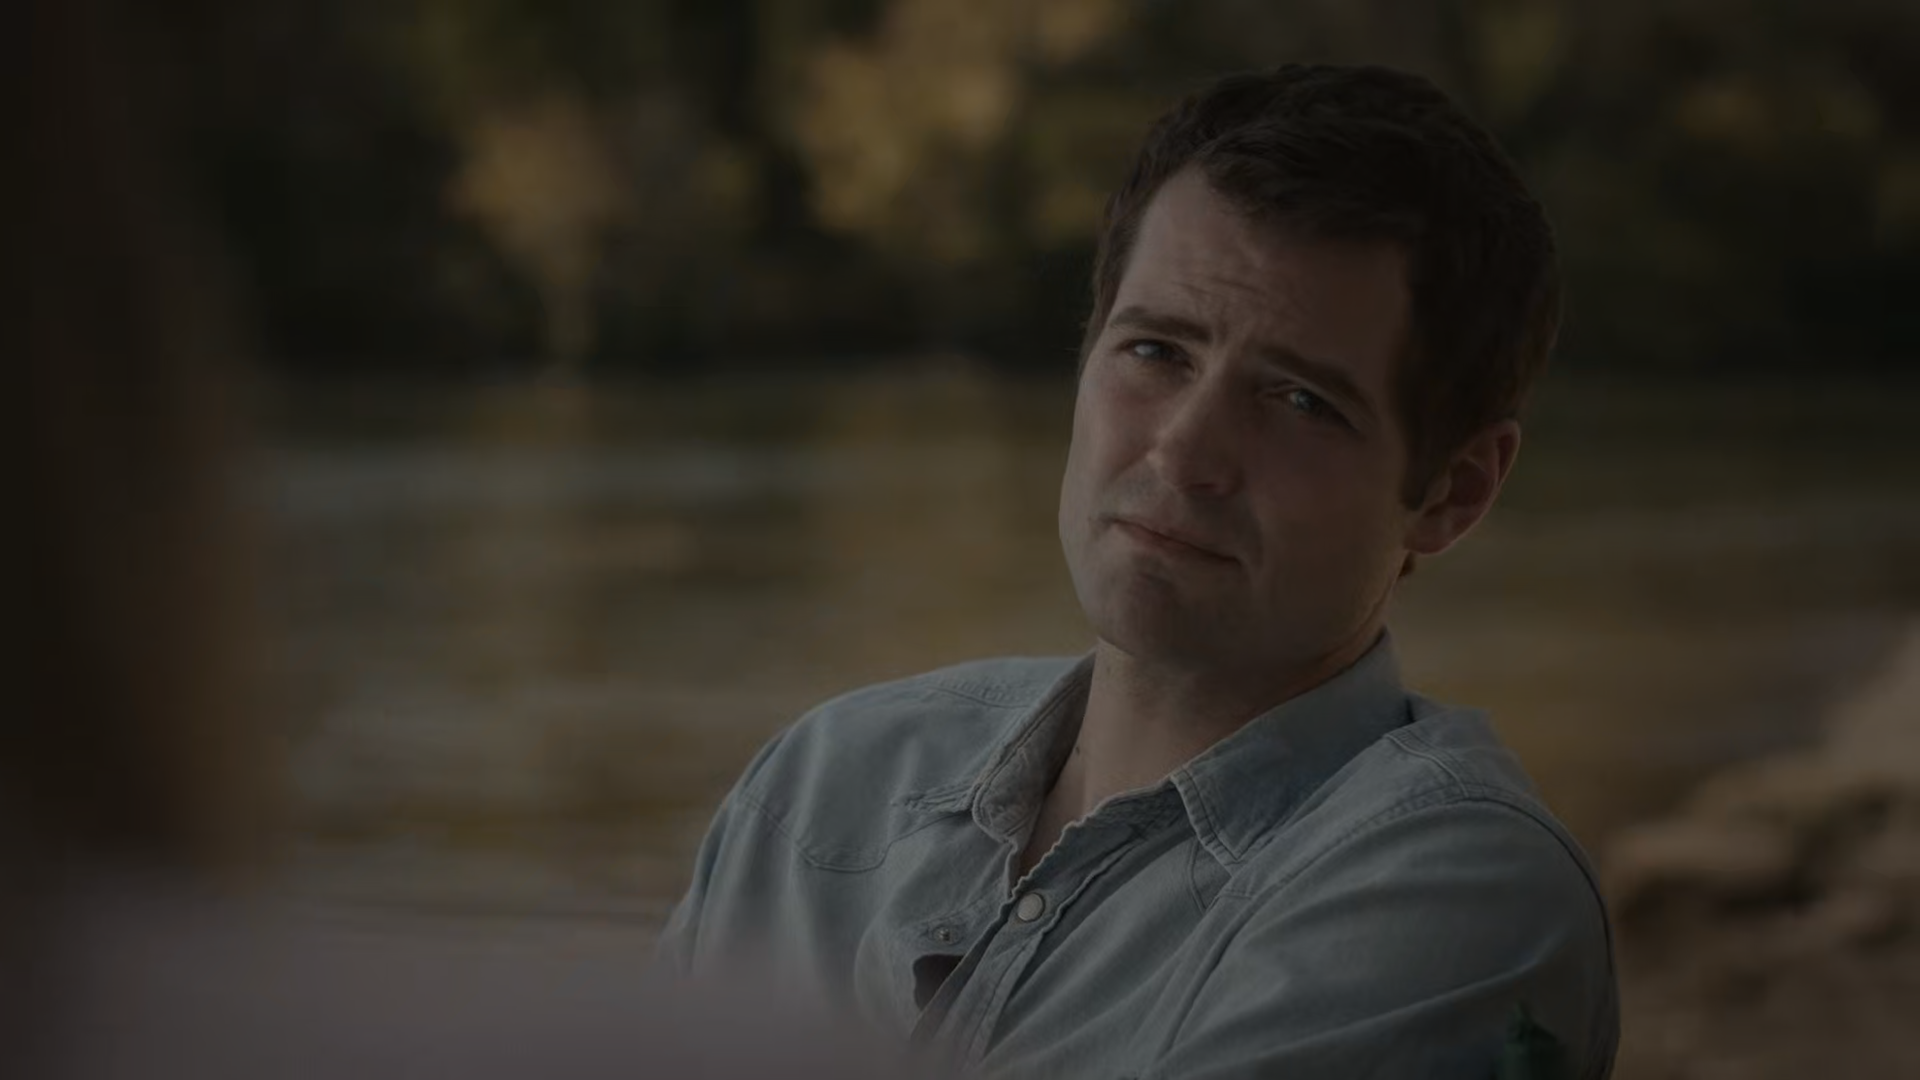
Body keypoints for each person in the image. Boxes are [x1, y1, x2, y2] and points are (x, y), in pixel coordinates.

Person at [658, 63, 1619, 1079]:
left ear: (1455, 491)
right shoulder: (827, 781)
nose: (1183, 453)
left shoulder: (1455, 895)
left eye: (1301, 402)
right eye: (1157, 352)